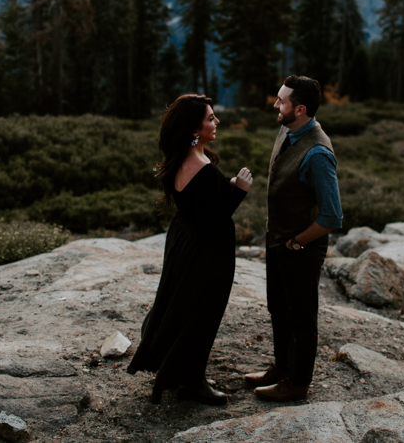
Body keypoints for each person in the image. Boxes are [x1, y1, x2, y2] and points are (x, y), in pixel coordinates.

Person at [128, 94, 253, 405]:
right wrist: (239, 191)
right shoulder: (203, 167)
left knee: (183, 308)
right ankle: (191, 382)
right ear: (194, 129)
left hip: (185, 243)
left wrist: (226, 185)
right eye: (211, 118)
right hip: (207, 253)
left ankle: (181, 371)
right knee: (203, 314)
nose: (217, 122)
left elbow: (200, 204)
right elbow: (214, 220)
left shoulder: (181, 158)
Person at [245, 75, 342, 402]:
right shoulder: (288, 128)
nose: (275, 104)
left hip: (300, 246)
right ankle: (281, 367)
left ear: (299, 109)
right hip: (280, 240)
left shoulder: (317, 153)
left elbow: (332, 215)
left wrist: (299, 242)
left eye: (281, 101)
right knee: (278, 307)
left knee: (301, 316)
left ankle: (298, 383)